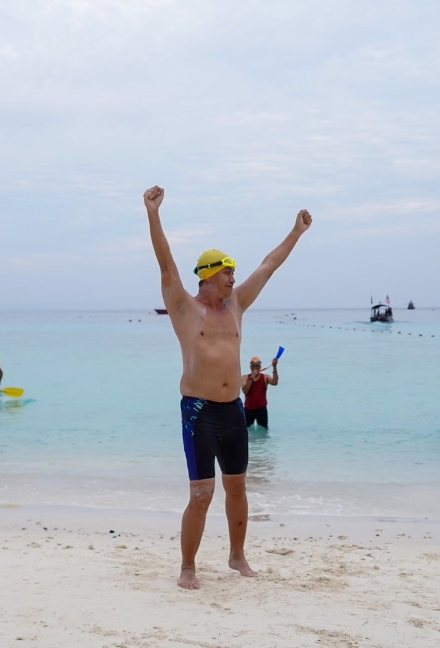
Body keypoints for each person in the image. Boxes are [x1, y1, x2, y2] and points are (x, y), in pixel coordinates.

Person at [143, 185, 311, 590]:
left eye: (234, 273)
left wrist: (296, 232)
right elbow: (166, 265)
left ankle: (237, 556)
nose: (234, 279)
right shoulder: (184, 306)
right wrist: (153, 213)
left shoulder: (236, 305)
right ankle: (188, 566)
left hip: (233, 410)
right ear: (208, 275)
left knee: (237, 488)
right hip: (198, 412)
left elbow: (268, 266)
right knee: (201, 495)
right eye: (227, 272)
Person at [242, 356, 279, 428]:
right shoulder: (245, 378)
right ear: (250, 367)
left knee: (264, 432)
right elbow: (245, 391)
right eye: (253, 366)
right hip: (248, 410)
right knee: (246, 431)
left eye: (257, 366)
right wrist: (251, 378)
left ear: (260, 367)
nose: (255, 368)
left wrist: (274, 367)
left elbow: (275, 382)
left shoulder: (265, 377)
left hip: (261, 410)